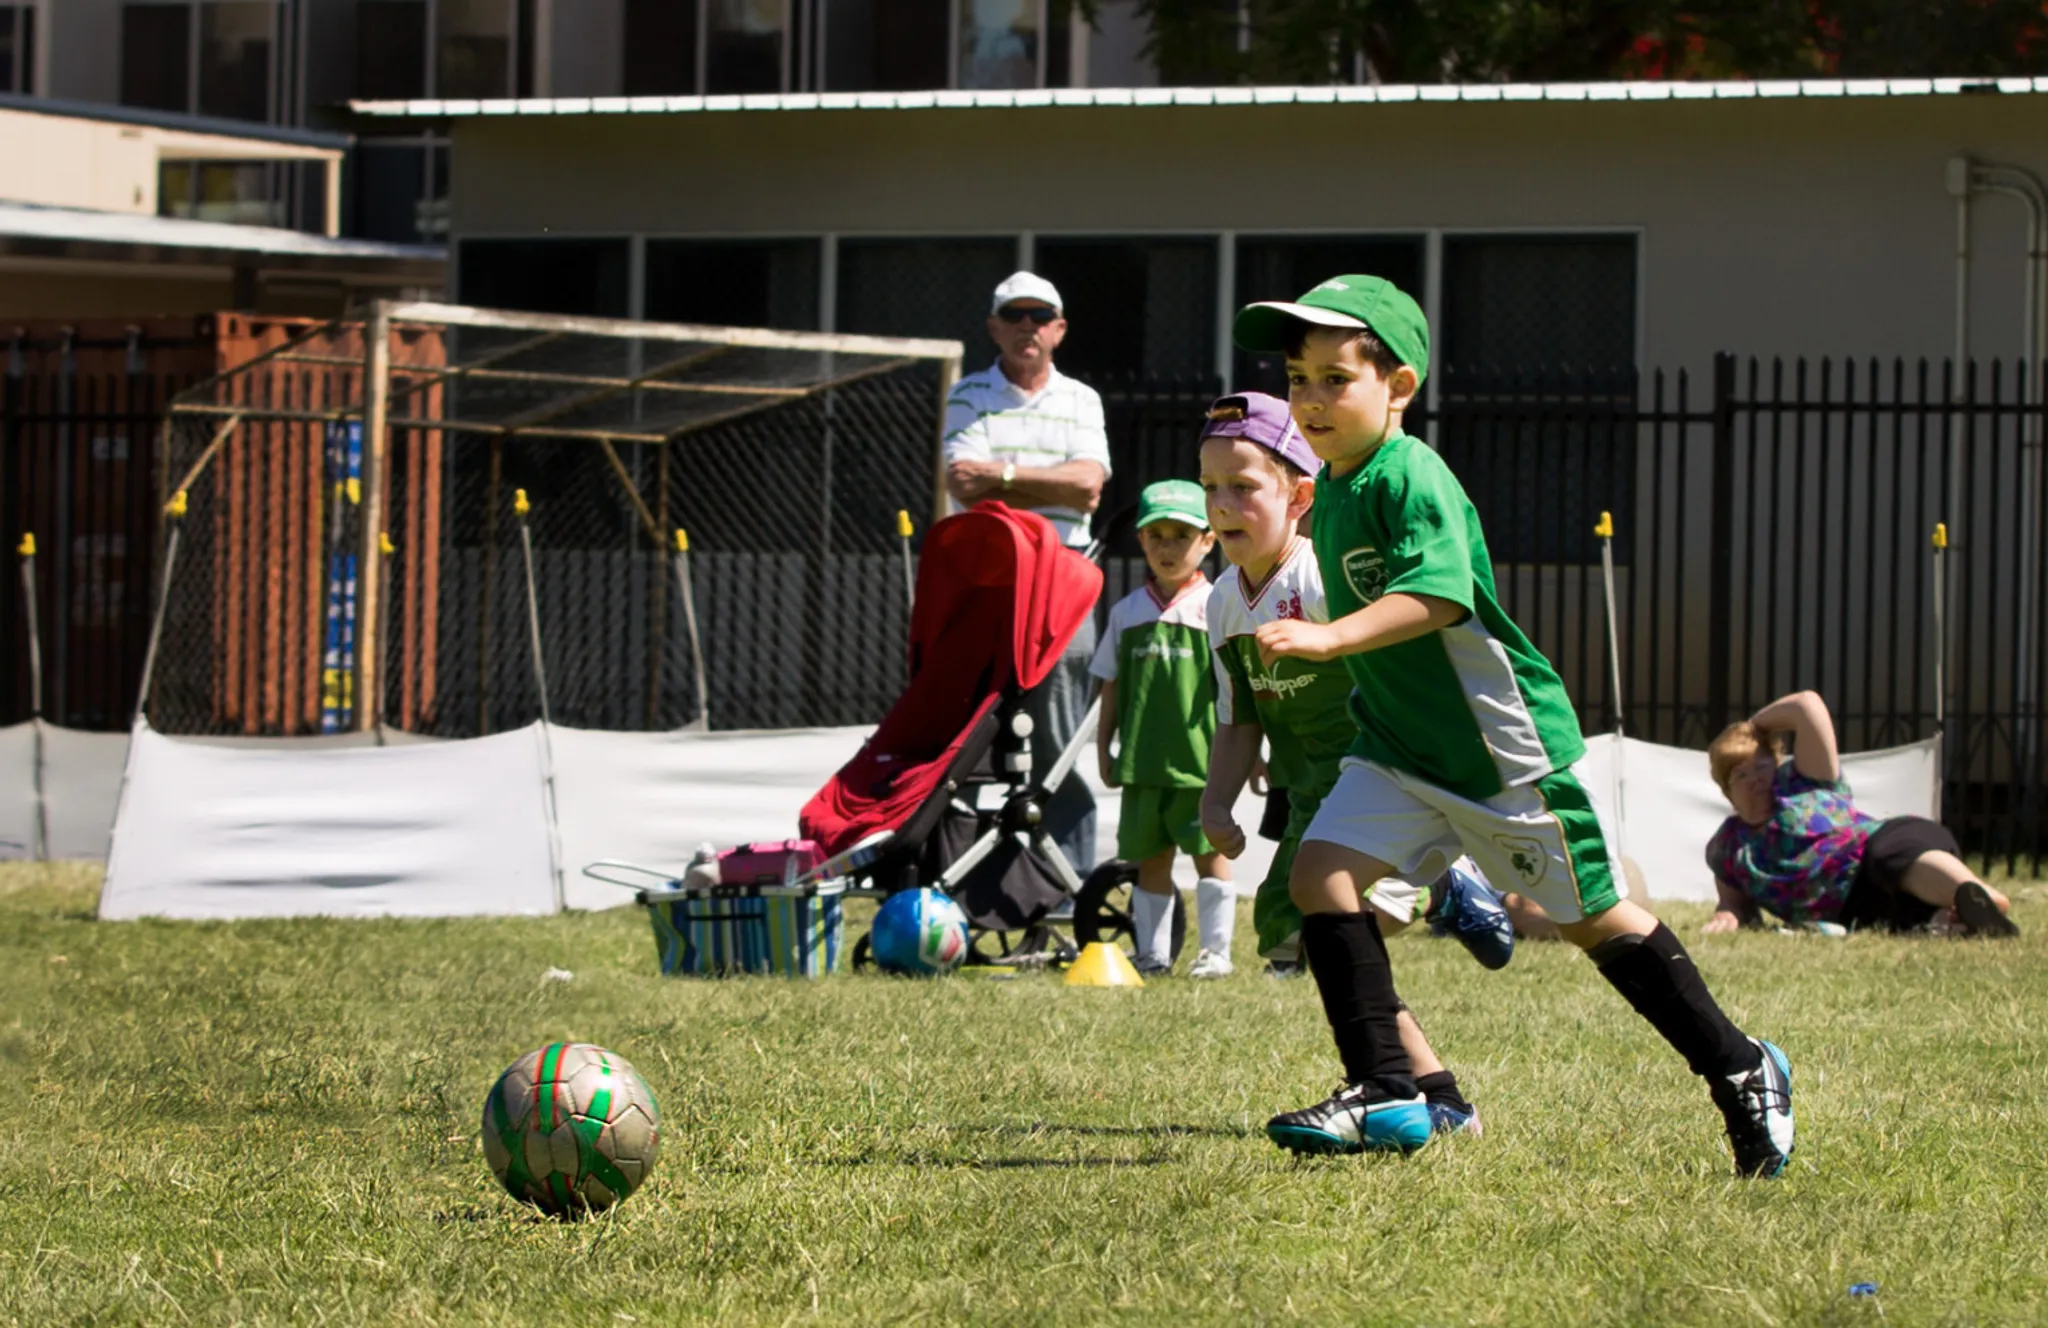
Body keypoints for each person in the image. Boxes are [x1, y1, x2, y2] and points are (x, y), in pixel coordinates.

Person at [1234, 274, 1795, 1177]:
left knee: (1596, 923)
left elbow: (1440, 595)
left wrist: (1331, 637)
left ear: (1399, 387)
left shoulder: (1411, 474)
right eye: (1298, 378)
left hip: (1494, 753)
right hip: (1396, 749)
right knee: (1319, 876)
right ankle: (1387, 1090)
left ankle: (1741, 1067)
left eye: (1336, 378)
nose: (1310, 398)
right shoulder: (1332, 486)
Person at [1196, 390, 1490, 1135]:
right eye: (1211, 490)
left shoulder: (1324, 579)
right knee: (1306, 936)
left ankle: (1444, 883)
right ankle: (1439, 1098)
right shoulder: (1222, 603)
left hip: (1371, 781)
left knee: (1333, 927)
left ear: (1299, 496)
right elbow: (1240, 716)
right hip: (1308, 796)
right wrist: (1216, 801)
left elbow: (1403, 673)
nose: (1223, 506)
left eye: (1243, 487)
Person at [943, 271, 1110, 881]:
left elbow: (1089, 486)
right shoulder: (967, 394)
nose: (1027, 327)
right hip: (987, 591)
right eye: (1015, 315)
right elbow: (960, 480)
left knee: (1056, 745)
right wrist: (1046, 478)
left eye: (1041, 316)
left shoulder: (1081, 400)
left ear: (1059, 330)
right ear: (994, 327)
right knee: (967, 744)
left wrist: (1002, 476)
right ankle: (969, 882)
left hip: (1065, 587)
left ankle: (1066, 890)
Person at [1705, 690, 2018, 938]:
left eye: (1762, 766)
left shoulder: (1804, 781)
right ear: (1726, 790)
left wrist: (1752, 728)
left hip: (1874, 848)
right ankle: (1966, 916)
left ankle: (1980, 896)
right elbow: (1733, 904)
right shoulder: (1729, 846)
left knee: (1890, 855)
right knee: (1909, 922)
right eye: (1741, 775)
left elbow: (1806, 704)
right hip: (1853, 911)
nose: (1756, 779)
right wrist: (1727, 914)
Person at [1091, 479, 1234, 976]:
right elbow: (1108, 684)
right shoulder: (1126, 612)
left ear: (1208, 541)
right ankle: (1152, 955)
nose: (1168, 548)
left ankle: (1216, 953)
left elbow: (1237, 690)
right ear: (1141, 540)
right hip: (1143, 764)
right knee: (1150, 861)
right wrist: (1104, 748)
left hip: (1201, 764)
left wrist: (1249, 754)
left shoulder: (1219, 607)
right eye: (1157, 535)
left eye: (1182, 535)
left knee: (1209, 857)